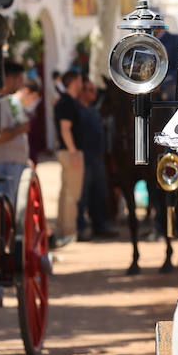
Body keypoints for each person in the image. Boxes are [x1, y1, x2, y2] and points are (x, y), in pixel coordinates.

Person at [0, 62, 40, 208]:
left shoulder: (7, 100)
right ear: (9, 79)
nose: (21, 85)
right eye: (19, 80)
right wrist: (20, 129)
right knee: (8, 206)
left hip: (14, 164)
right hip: (5, 165)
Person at [76, 79, 118, 240]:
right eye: (89, 90)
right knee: (82, 195)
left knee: (100, 194)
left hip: (98, 158)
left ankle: (100, 225)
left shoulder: (96, 110)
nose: (93, 94)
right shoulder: (78, 110)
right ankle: (80, 228)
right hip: (84, 157)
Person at [52, 70, 84, 247]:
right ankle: (69, 232)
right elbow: (65, 129)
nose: (81, 84)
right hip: (70, 152)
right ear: (74, 82)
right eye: (80, 80)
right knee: (72, 194)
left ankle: (62, 229)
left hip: (66, 151)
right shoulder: (67, 103)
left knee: (65, 193)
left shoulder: (65, 101)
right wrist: (74, 152)